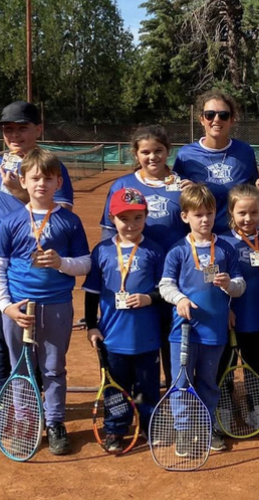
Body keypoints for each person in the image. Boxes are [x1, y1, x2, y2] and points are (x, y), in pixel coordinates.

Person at [0, 101, 75, 436]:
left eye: (21, 127)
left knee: (43, 348)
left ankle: (44, 410)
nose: (14, 134)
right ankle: (8, 406)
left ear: (38, 130)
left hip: (39, 268)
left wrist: (22, 193)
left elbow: (60, 215)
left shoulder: (51, 167)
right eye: (8, 129)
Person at [0, 148, 90, 455]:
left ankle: (55, 422)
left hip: (57, 305)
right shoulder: (11, 222)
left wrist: (61, 263)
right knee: (20, 369)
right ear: (22, 180)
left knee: (53, 368)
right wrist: (6, 305)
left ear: (58, 182)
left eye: (48, 178)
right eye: (34, 178)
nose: (41, 184)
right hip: (18, 310)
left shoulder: (70, 222)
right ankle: (25, 422)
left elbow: (85, 264)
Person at [100, 125, 192, 386]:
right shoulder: (123, 185)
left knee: (173, 338)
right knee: (142, 341)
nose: (153, 157)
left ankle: (176, 397)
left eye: (159, 151)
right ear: (136, 154)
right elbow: (109, 234)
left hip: (176, 276)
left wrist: (192, 193)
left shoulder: (182, 184)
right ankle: (140, 400)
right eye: (146, 152)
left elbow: (196, 224)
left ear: (168, 151)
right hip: (137, 277)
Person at [159, 184, 246, 452]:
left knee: (208, 382)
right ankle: (184, 430)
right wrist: (180, 299)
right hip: (183, 332)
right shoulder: (177, 250)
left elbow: (241, 286)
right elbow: (165, 285)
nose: (205, 219)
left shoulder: (226, 249)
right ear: (185, 216)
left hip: (214, 330)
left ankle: (207, 425)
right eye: (198, 214)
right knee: (181, 382)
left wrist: (229, 284)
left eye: (209, 213)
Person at [84, 187, 164, 452]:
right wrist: (92, 325)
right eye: (124, 218)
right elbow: (92, 292)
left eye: (137, 218)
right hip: (113, 337)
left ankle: (149, 425)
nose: (130, 224)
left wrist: (148, 298)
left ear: (146, 216)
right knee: (116, 389)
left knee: (147, 387)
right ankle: (116, 429)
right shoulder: (102, 251)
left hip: (147, 337)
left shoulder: (154, 250)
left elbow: (166, 288)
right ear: (112, 217)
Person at [219, 184, 259, 434]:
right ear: (231, 212)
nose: (248, 218)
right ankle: (225, 411)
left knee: (254, 366)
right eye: (242, 213)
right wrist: (225, 309)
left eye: (253, 212)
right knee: (225, 369)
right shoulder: (220, 243)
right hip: (230, 318)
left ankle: (256, 411)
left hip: (257, 317)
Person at [173, 89, 259, 230]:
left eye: (224, 115)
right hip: (200, 239)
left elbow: (254, 194)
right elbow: (177, 200)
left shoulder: (245, 152)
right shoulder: (185, 155)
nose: (216, 119)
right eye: (210, 115)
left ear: (231, 120)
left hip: (237, 238)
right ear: (202, 119)